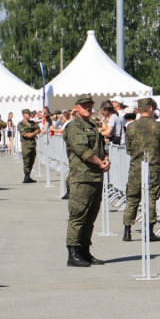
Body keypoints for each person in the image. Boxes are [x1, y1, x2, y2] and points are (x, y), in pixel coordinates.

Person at [62, 94, 110, 266]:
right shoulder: (75, 127)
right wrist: (99, 162)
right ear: (76, 107)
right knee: (78, 216)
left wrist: (106, 159)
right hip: (82, 177)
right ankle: (73, 253)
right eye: (84, 105)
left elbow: (101, 148)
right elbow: (83, 150)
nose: (88, 108)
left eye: (90, 105)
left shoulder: (91, 125)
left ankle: (85, 251)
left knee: (90, 217)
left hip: (95, 177)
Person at [124, 97, 160, 241]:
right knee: (151, 198)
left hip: (135, 166)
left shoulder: (131, 126)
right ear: (150, 109)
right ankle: (149, 231)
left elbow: (128, 148)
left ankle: (127, 231)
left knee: (132, 199)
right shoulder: (158, 126)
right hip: (152, 166)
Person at [18, 108, 41, 182]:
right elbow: (25, 134)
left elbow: (38, 129)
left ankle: (29, 175)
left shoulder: (32, 123)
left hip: (32, 144)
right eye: (28, 114)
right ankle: (26, 176)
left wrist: (33, 134)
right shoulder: (21, 124)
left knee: (32, 160)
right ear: (24, 115)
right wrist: (32, 134)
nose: (29, 115)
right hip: (25, 145)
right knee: (26, 160)